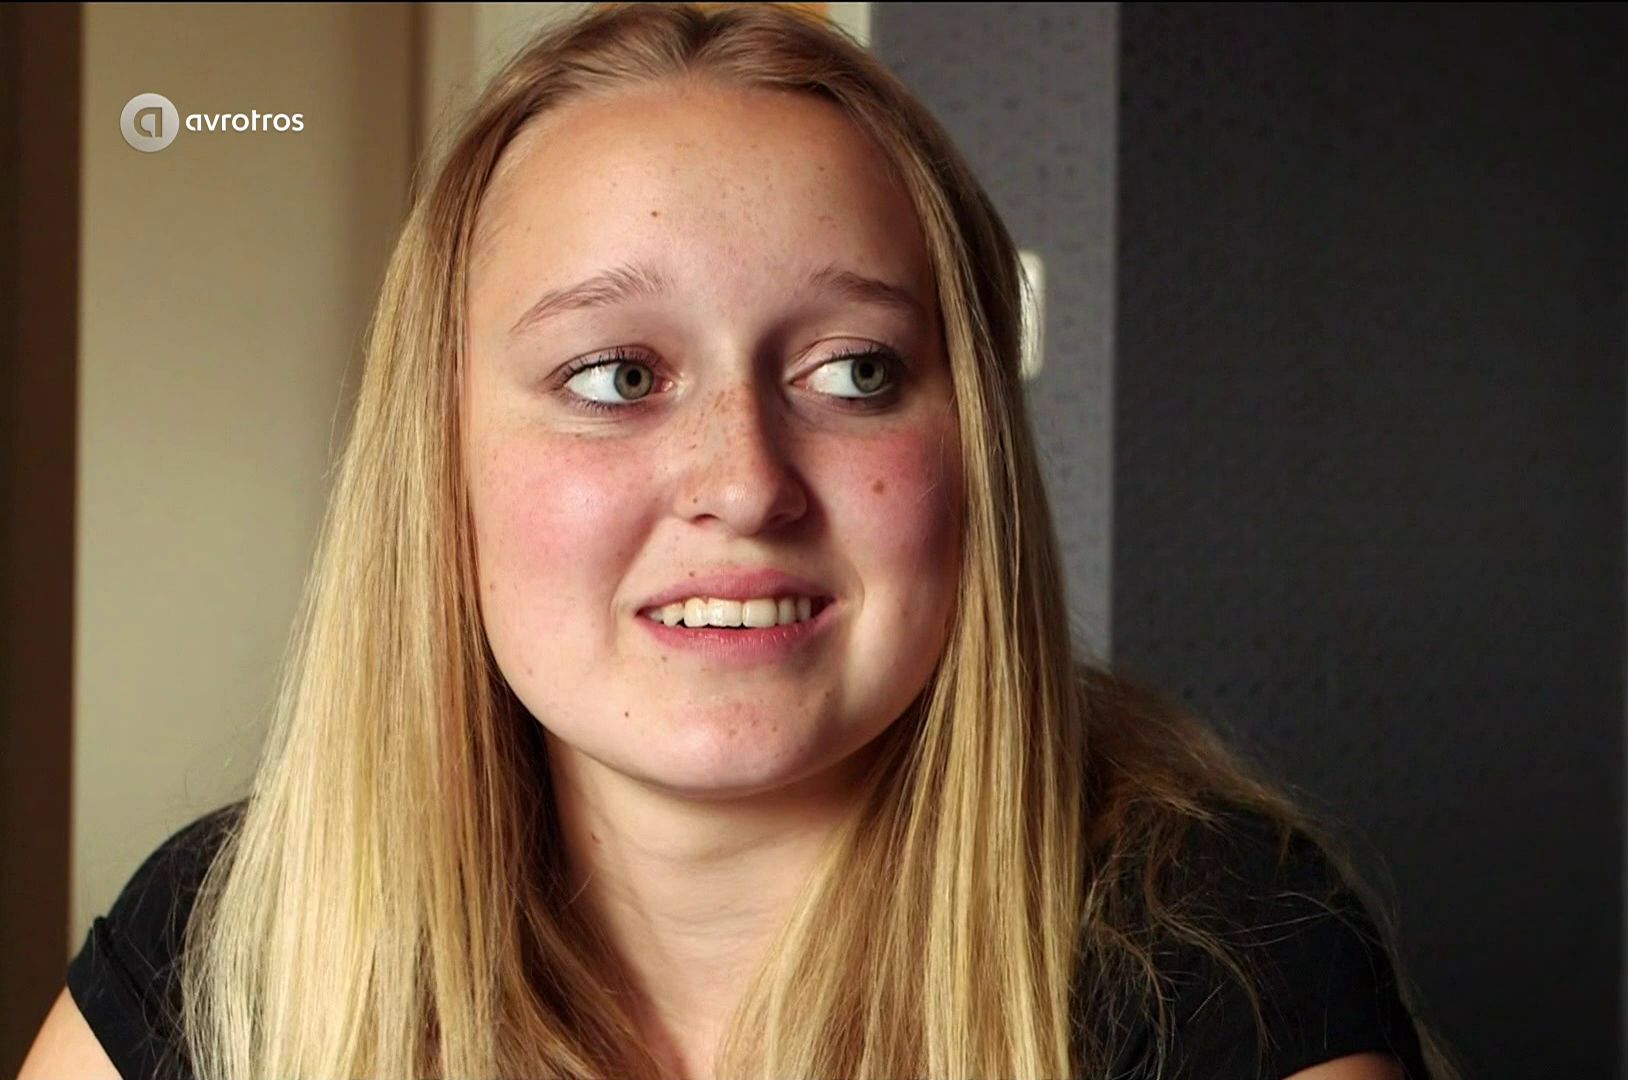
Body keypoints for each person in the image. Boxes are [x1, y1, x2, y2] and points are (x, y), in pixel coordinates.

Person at [19, 5, 1456, 1079]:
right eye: (615, 376)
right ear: (434, 468)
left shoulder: (1217, 955)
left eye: (855, 372)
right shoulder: (228, 940)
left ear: (977, 457)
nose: (745, 483)